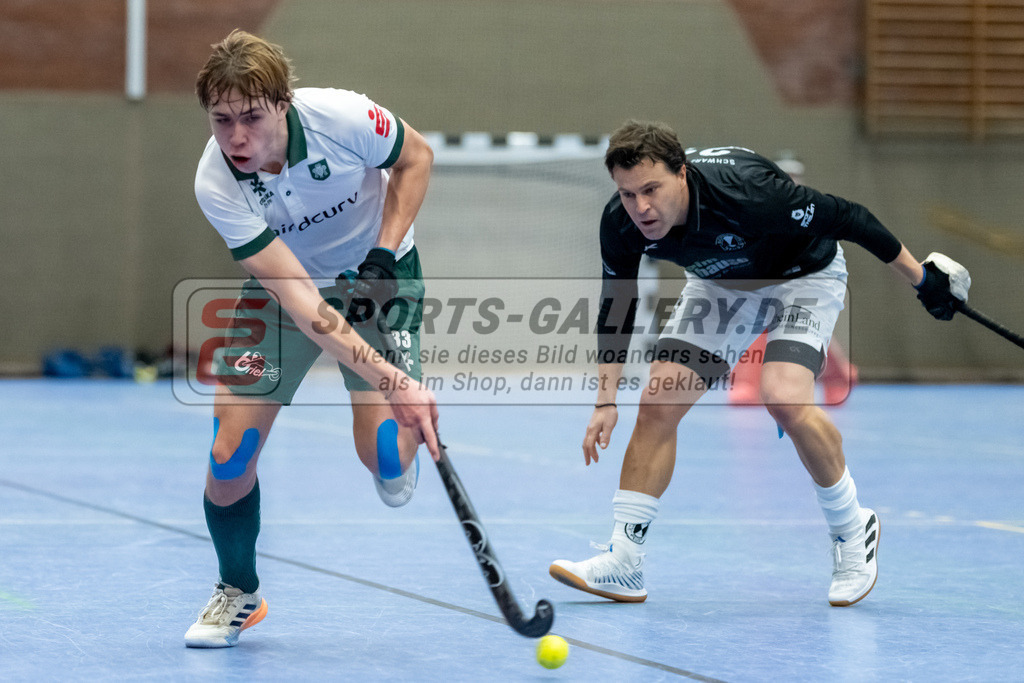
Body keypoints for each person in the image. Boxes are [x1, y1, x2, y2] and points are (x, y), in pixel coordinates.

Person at [549, 120, 970, 607]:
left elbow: (851, 217)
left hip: (803, 276)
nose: (640, 207)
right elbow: (615, 305)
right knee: (658, 399)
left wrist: (922, 280)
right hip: (721, 288)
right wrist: (605, 400)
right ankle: (623, 561)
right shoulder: (621, 223)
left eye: (651, 189)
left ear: (681, 174)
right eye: (627, 194)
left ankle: (854, 530)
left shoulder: (748, 194)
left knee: (784, 396)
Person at [186, 30, 439, 648]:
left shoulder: (342, 117)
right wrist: (388, 376)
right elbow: (300, 299)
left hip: (381, 278)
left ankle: (398, 429)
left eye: (251, 117)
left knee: (384, 455)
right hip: (288, 292)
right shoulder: (216, 183)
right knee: (229, 453)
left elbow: (418, 158)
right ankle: (238, 590)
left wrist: (382, 249)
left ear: (283, 103)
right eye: (222, 121)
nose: (237, 138)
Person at [729, 153, 859, 406]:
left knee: (804, 326)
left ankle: (838, 374)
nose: (789, 180)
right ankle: (749, 381)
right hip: (769, 278)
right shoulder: (759, 208)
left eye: (794, 176)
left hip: (808, 278)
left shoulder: (810, 210)